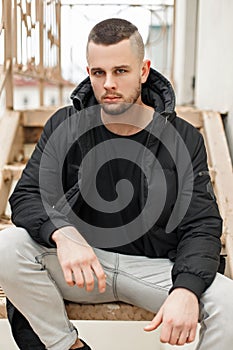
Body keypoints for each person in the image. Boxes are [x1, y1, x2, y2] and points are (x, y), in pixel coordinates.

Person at [0, 17, 232, 350]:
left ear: (143, 70)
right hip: (84, 268)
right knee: (7, 248)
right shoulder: (65, 126)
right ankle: (68, 347)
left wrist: (185, 290)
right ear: (89, 72)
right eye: (99, 73)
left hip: (155, 271)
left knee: (228, 305)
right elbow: (25, 197)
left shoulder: (183, 138)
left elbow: (202, 224)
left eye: (120, 71)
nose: (109, 83)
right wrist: (62, 234)